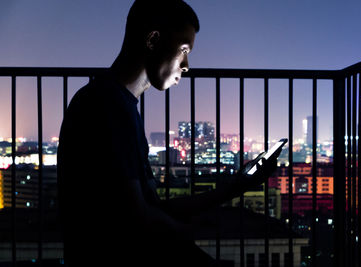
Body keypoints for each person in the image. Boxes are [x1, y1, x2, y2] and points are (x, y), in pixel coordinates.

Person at [57, 0, 280, 266]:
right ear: (153, 40)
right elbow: (138, 220)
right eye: (184, 49)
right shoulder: (108, 107)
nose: (186, 65)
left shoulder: (111, 101)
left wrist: (236, 187)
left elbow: (147, 210)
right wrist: (188, 236)